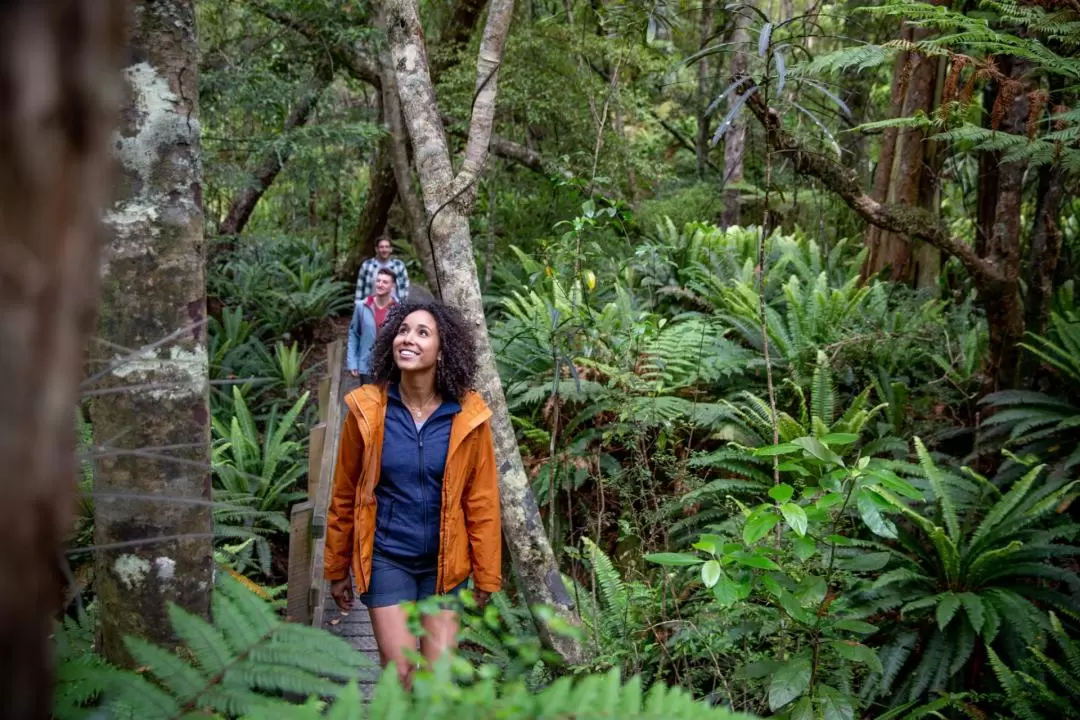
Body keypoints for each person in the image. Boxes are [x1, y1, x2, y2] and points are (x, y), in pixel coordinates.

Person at [324, 301, 501, 689]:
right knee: (401, 669)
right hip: (387, 559)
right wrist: (336, 569)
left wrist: (487, 575)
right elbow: (343, 493)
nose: (409, 338)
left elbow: (482, 500)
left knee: (436, 678)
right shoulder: (367, 410)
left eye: (423, 333)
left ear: (444, 348)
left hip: (446, 563)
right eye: (403, 330)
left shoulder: (467, 415)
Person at [355, 236, 409, 306]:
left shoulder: (399, 266)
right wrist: (358, 307)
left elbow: (405, 288)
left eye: (387, 247)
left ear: (391, 249)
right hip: (371, 307)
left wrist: (403, 307)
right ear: (376, 249)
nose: (384, 250)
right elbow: (359, 288)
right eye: (381, 247)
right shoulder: (367, 265)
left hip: (393, 307)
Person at [345, 300, 377, 381]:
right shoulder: (362, 306)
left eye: (386, 285)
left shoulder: (397, 307)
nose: (380, 286)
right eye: (378, 285)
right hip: (367, 366)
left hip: (389, 369)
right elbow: (354, 334)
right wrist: (352, 362)